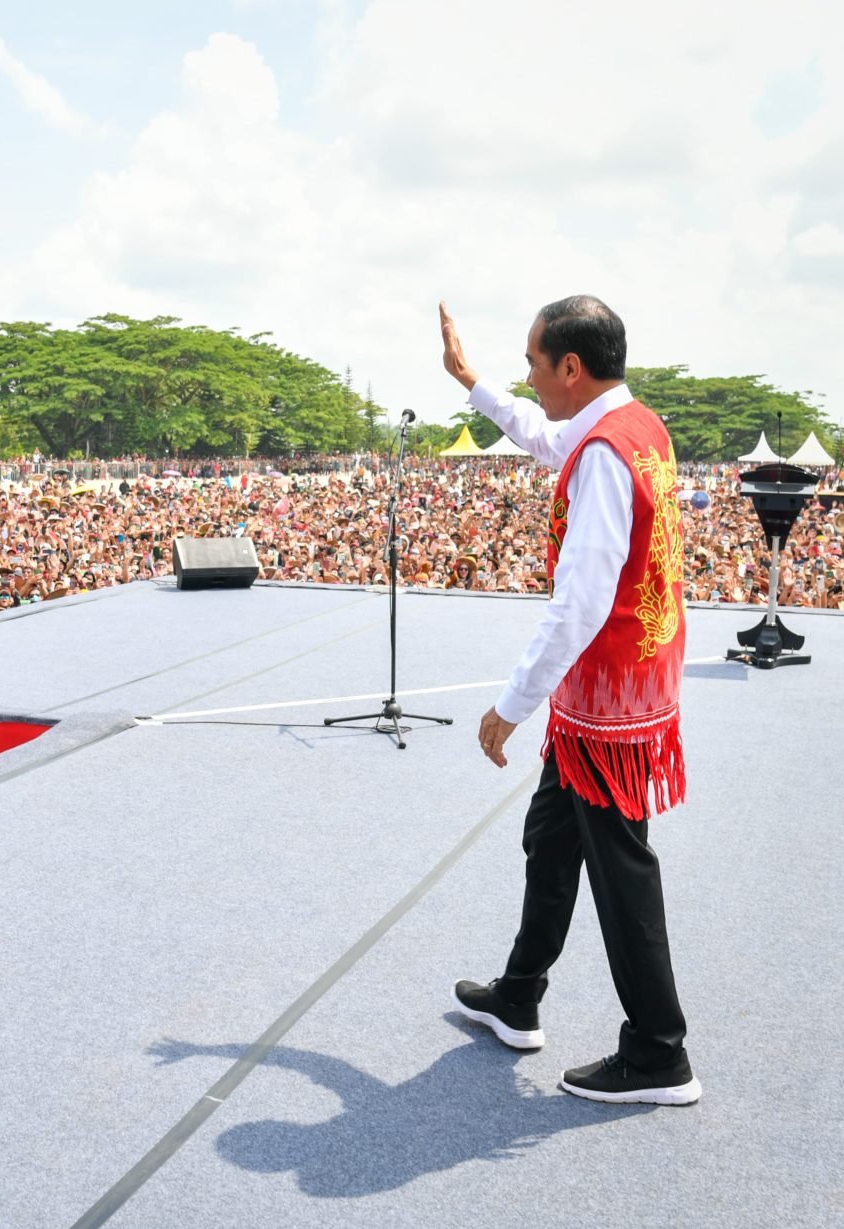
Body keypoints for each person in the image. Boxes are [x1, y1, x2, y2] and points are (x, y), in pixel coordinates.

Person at [438, 297, 699, 1106]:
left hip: (608, 704)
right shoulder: (634, 426)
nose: (529, 375)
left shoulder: (601, 457)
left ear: (571, 369)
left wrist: (511, 705)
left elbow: (579, 602)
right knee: (551, 837)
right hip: (618, 690)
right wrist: (474, 383)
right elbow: (542, 434)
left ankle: (659, 1050)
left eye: (532, 362)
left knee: (621, 870)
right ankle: (519, 995)